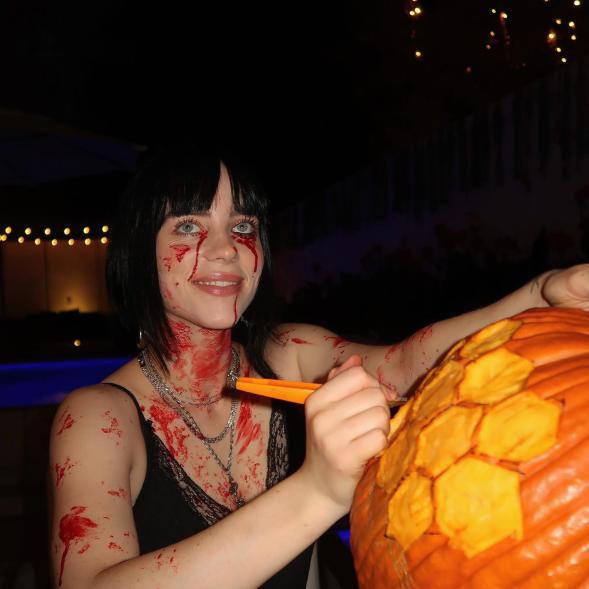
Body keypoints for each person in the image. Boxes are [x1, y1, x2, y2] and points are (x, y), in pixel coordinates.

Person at [48, 147, 589, 589]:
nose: (226, 250)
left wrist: (543, 295)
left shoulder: (289, 354)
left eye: (243, 226)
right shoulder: (98, 419)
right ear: (140, 251)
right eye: (188, 227)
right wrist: (319, 491)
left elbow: (403, 368)